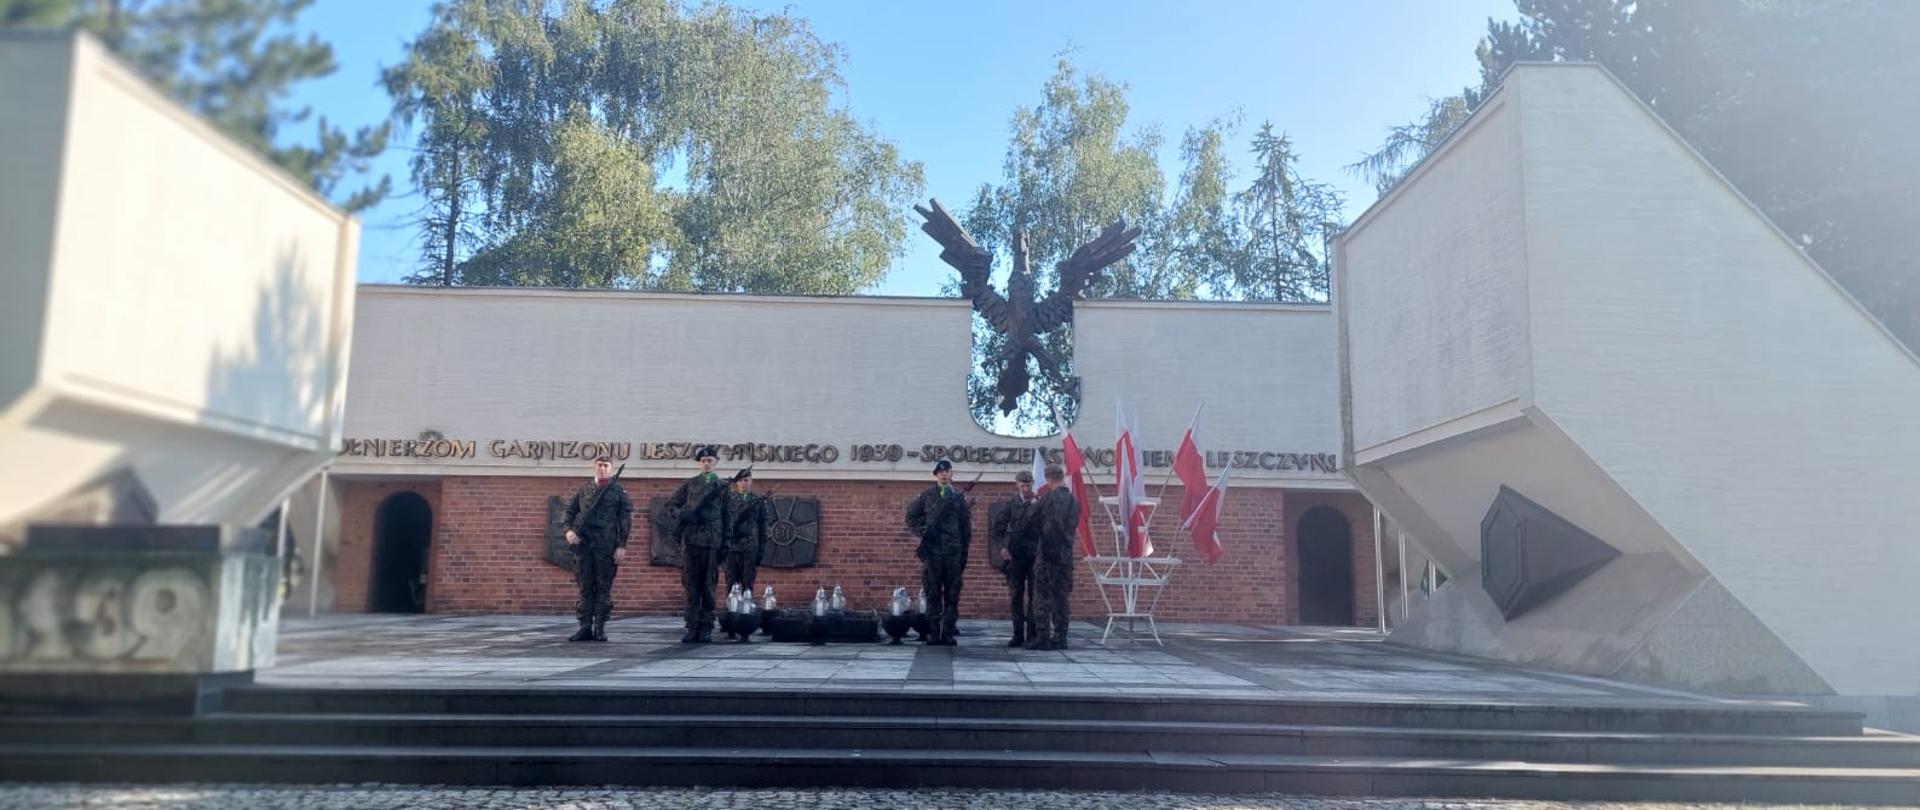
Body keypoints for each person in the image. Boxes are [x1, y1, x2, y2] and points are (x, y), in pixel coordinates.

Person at [563, 454, 631, 642]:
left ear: (611, 468)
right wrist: (568, 531)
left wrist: (621, 545)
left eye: (606, 466)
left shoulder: (618, 491)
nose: (603, 469)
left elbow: (624, 521)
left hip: (606, 546)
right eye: (600, 465)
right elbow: (569, 511)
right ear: (595, 467)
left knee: (603, 587)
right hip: (584, 545)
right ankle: (585, 626)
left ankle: (600, 627)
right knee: (585, 586)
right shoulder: (584, 489)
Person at [904, 459, 971, 646]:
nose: (944, 474)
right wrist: (922, 531)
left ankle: (948, 633)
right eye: (940, 472)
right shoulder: (926, 496)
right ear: (935, 474)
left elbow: (966, 527)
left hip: (953, 552)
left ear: (951, 474)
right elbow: (910, 516)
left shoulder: (959, 497)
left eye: (947, 471)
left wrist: (964, 551)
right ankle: (934, 632)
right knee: (932, 592)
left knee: (952, 593)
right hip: (932, 552)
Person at [664, 446, 727, 643]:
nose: (707, 463)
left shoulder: (722, 487)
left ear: (716, 462)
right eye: (703, 460)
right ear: (699, 463)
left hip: (712, 542)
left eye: (710, 460)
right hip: (691, 541)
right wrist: (683, 515)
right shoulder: (690, 485)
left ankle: (706, 626)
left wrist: (725, 543)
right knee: (691, 585)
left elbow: (729, 516)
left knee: (708, 585)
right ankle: (692, 626)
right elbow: (670, 505)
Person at [1029, 464, 1080, 650]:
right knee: (1061, 597)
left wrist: (1034, 505)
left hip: (1047, 555)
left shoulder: (1047, 498)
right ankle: (1060, 637)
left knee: (1042, 597)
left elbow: (1032, 519)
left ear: (1049, 479)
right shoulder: (1074, 501)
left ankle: (1043, 637)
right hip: (1065, 556)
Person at [988, 470, 1039, 647]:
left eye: (1028, 484)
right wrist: (1002, 548)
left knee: (1035, 596)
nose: (1026, 488)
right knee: (1016, 595)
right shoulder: (1011, 504)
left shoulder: (1039, 503)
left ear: (1033, 484)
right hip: (1016, 556)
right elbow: (997, 529)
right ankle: (1018, 634)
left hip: (1034, 555)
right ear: (1016, 484)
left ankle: (1032, 633)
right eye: (1023, 485)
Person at [721, 467, 770, 640]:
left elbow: (764, 527)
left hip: (750, 548)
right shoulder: (729, 500)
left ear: (751, 482)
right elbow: (724, 525)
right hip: (732, 549)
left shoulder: (758, 501)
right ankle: (730, 623)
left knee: (748, 586)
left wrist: (761, 549)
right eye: (741, 481)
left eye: (747, 480)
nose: (744, 483)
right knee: (731, 586)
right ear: (736, 483)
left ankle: (746, 622)